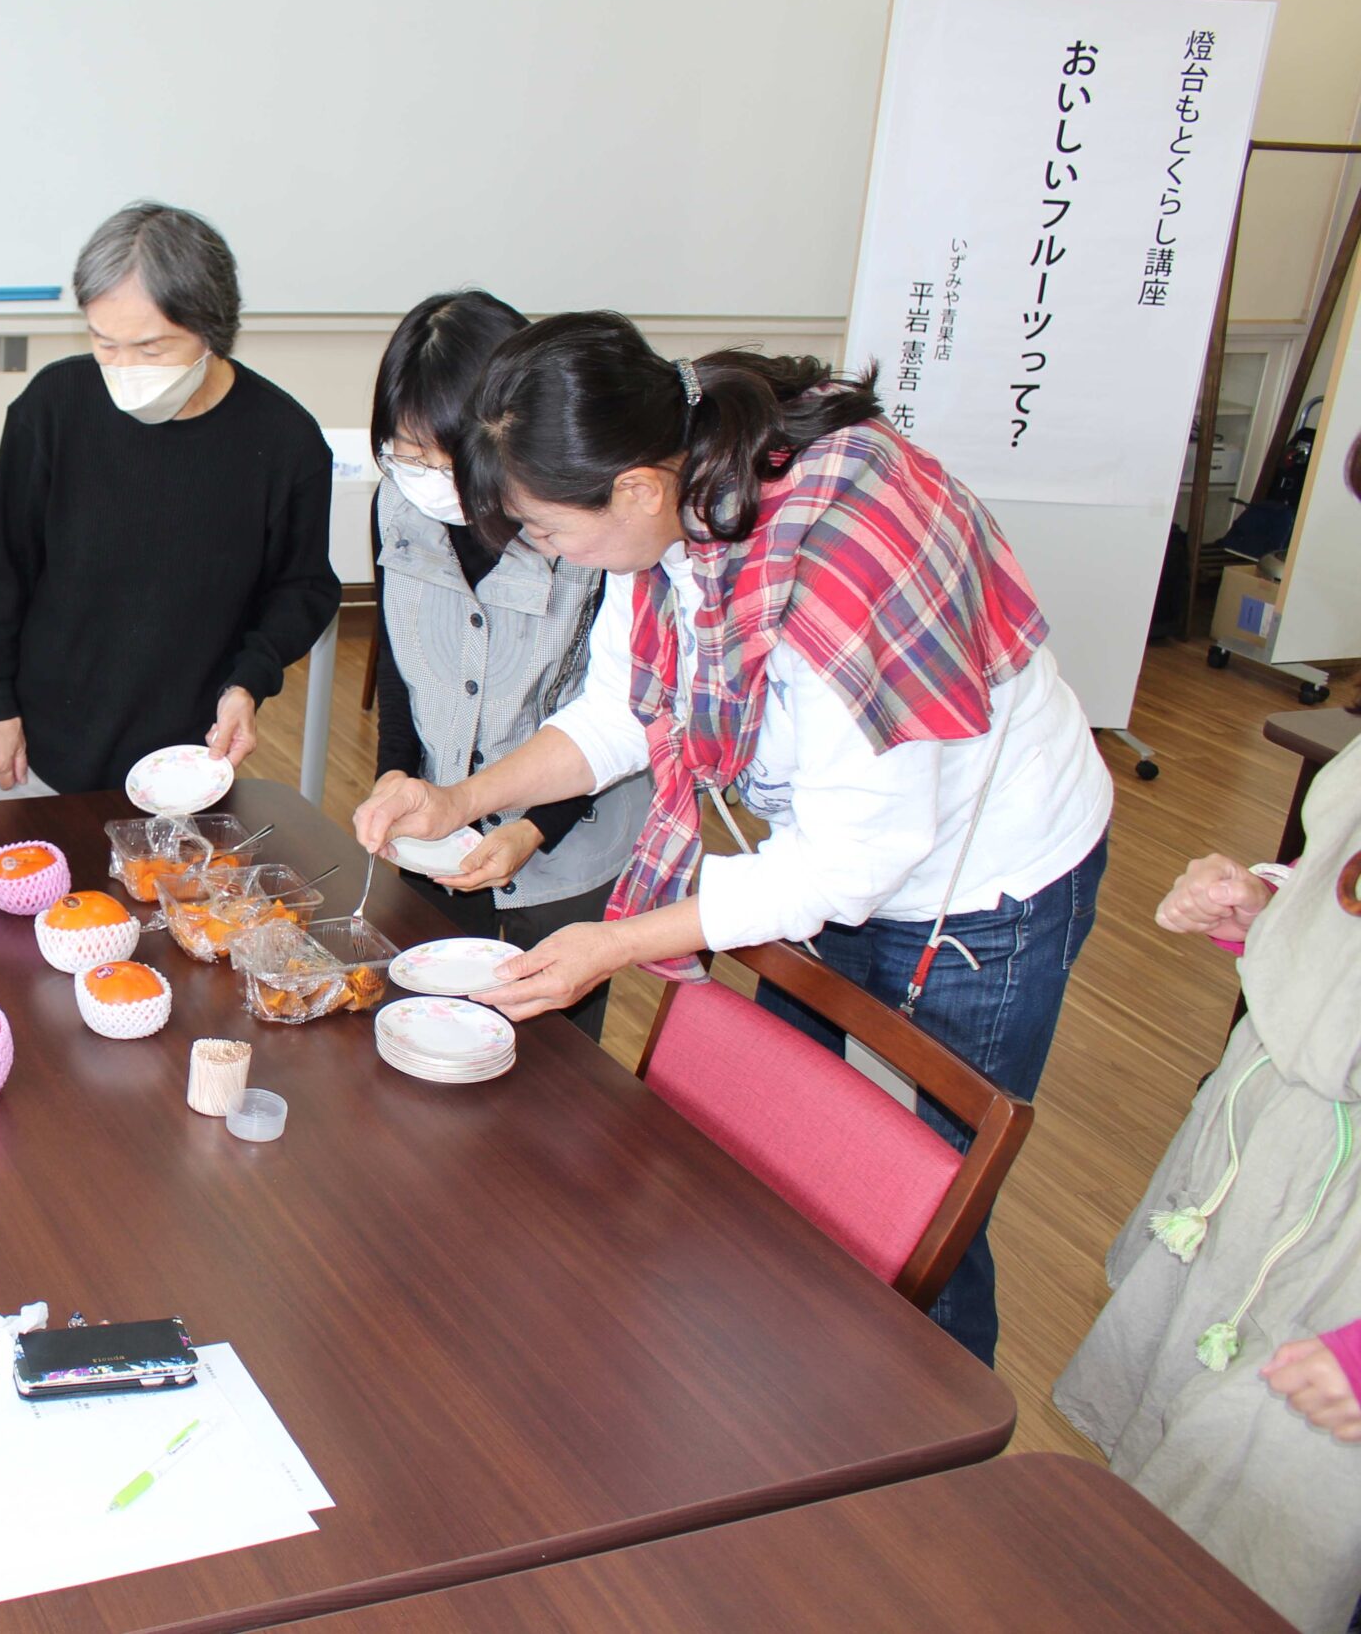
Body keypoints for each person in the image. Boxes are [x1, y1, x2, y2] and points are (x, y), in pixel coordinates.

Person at [355, 310, 1111, 1364]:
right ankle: (791, 1385)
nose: (543, 550)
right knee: (796, 1170)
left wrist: (615, 941)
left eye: (548, 531)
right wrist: (460, 797)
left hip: (979, 887)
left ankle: (943, 1428)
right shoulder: (681, 490)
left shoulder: (834, 562)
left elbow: (851, 858)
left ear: (632, 489)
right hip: (838, 851)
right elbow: (623, 711)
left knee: (917, 1209)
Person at [1053, 445, 1361, 1634]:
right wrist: (1264, 905)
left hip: (1340, 1248)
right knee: (1179, 1480)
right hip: (1275, 1141)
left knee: (1269, 1534)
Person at [0, 201, 337, 799]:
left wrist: (247, 684)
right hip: (39, 745)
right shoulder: (54, 406)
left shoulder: (285, 441)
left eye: (153, 349)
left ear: (212, 329)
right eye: (104, 343)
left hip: (187, 759)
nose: (126, 369)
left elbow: (301, 588)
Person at [366, 291, 651, 1040]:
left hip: (572, 840)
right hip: (439, 828)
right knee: (426, 1029)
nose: (430, 475)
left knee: (553, 1059)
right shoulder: (398, 505)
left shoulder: (583, 528)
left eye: (448, 454)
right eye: (407, 451)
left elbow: (612, 711)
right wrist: (396, 776)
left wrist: (533, 829)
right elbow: (399, 656)